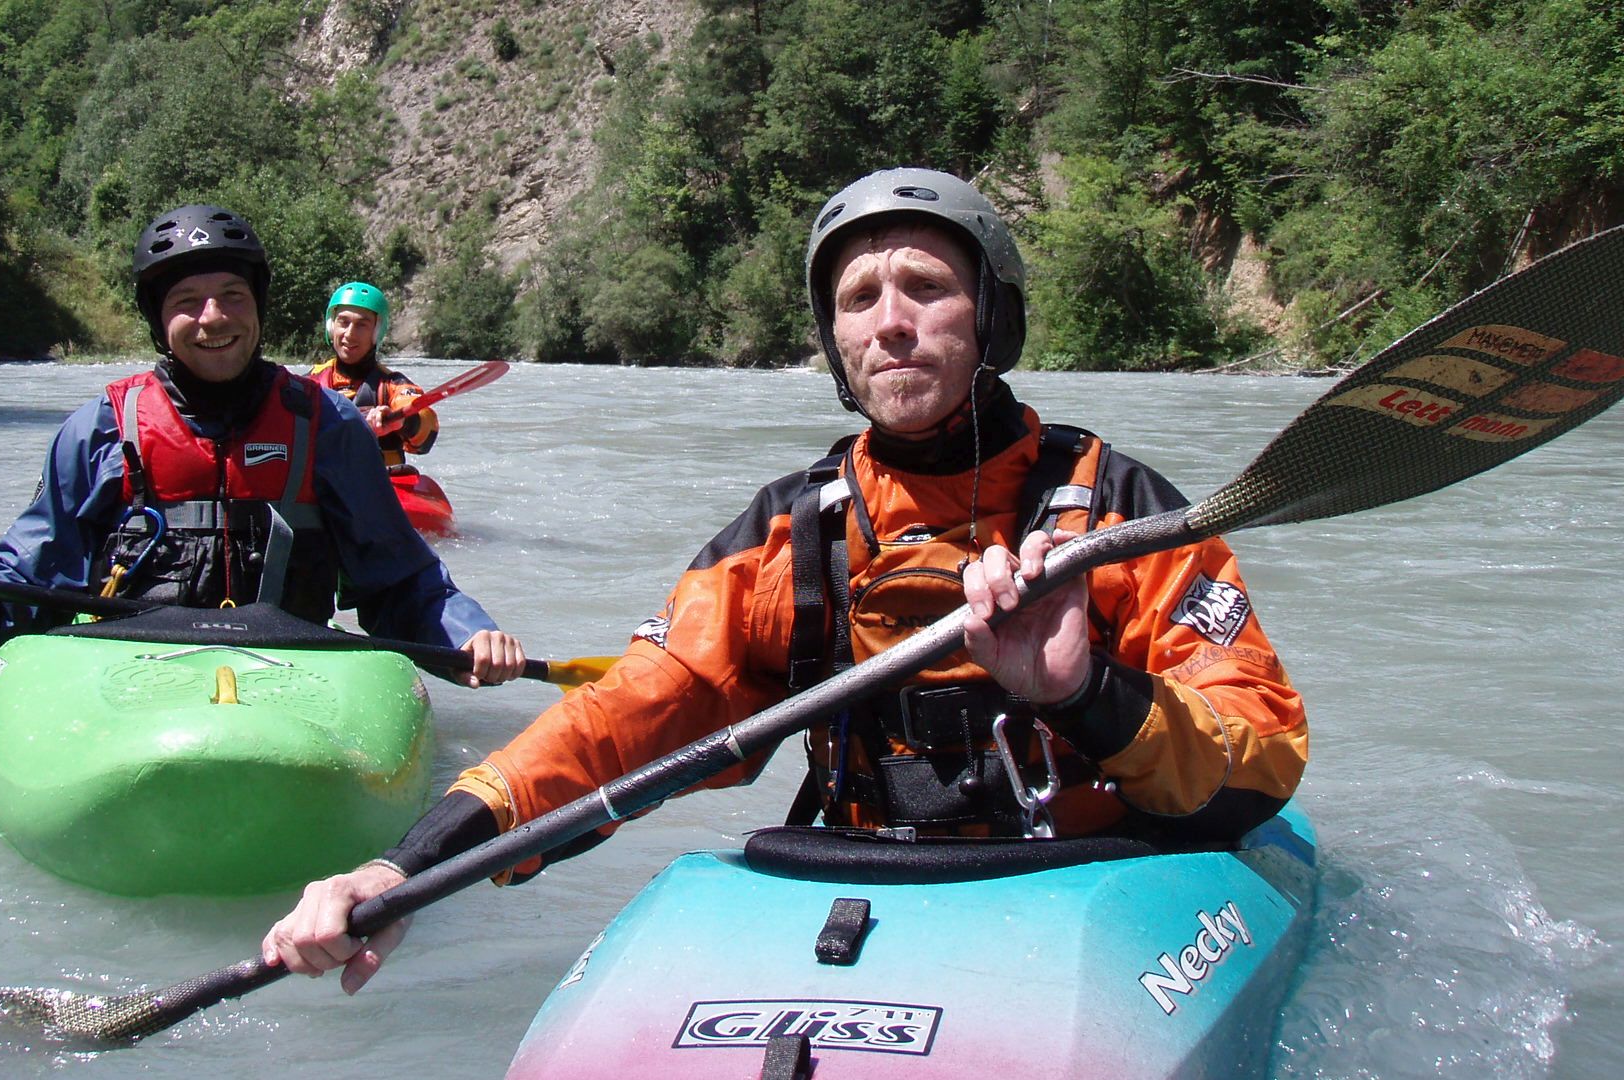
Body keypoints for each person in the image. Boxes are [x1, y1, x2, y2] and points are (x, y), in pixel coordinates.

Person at [262, 168, 1308, 992]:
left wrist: (1084, 693)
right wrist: (409, 867)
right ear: (835, 342)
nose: (889, 321)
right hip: (864, 888)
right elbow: (625, 719)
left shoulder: (1121, 508)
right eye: (859, 299)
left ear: (993, 318)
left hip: (1093, 888)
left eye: (928, 288)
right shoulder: (789, 537)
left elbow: (1261, 757)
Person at [0, 205, 525, 688]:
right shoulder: (102, 428)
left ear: (258, 307)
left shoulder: (328, 426)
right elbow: (33, 568)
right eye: (186, 302)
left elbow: (399, 580)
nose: (213, 318)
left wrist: (464, 635)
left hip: (291, 670)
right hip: (130, 674)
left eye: (233, 296)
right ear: (159, 321)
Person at [308, 282, 438, 468]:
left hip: (379, 486)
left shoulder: (393, 384)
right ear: (331, 326)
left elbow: (427, 434)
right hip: (323, 486)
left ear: (376, 332)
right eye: (343, 322)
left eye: (362, 325)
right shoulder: (308, 382)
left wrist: (401, 420)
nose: (350, 334)